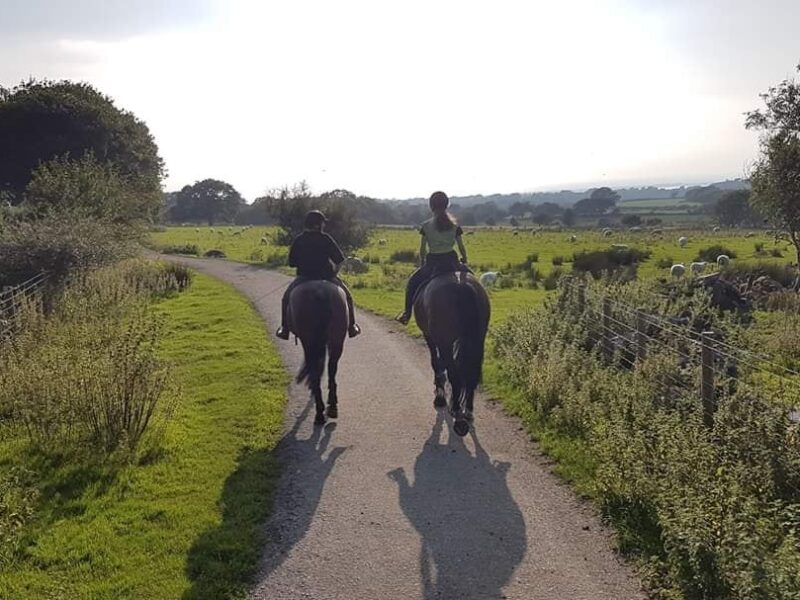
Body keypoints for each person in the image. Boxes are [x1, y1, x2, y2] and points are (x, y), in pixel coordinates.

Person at [276, 210, 361, 340]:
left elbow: (292, 263)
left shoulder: (299, 239)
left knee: (286, 298)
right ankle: (352, 327)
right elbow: (340, 260)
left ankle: (284, 329)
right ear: (317, 225)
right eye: (322, 223)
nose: (323, 226)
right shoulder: (325, 238)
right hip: (327, 277)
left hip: (303, 277)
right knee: (348, 297)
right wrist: (334, 273)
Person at [396, 191, 469, 325]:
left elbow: (423, 248)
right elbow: (461, 246)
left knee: (412, 284)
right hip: (452, 262)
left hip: (433, 263)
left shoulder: (426, 226)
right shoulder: (455, 226)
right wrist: (464, 259)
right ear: (447, 205)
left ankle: (406, 313)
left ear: (431, 206)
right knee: (472, 279)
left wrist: (422, 262)